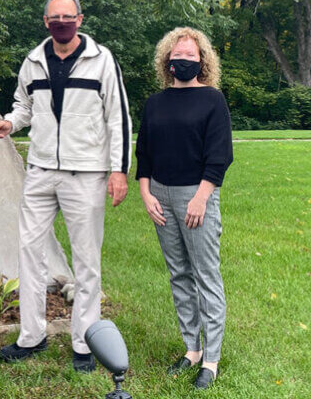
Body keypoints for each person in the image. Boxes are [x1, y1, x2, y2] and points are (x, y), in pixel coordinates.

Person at [0, 0, 132, 372]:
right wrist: (11, 122)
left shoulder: (101, 60)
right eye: (54, 17)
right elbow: (24, 104)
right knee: (28, 252)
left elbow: (118, 117)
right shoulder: (34, 60)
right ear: (45, 22)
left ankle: (85, 342)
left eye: (67, 17)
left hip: (85, 173)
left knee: (86, 261)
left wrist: (118, 170)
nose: (61, 22)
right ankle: (31, 337)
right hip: (39, 171)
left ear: (80, 19)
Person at [135, 27, 233, 390]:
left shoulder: (212, 100)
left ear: (202, 61)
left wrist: (202, 195)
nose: (184, 61)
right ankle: (190, 349)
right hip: (160, 194)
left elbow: (221, 154)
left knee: (205, 275)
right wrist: (145, 193)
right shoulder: (155, 103)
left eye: (192, 56)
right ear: (167, 61)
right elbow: (143, 152)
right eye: (179, 56)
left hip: (197, 196)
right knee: (179, 274)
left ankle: (211, 359)